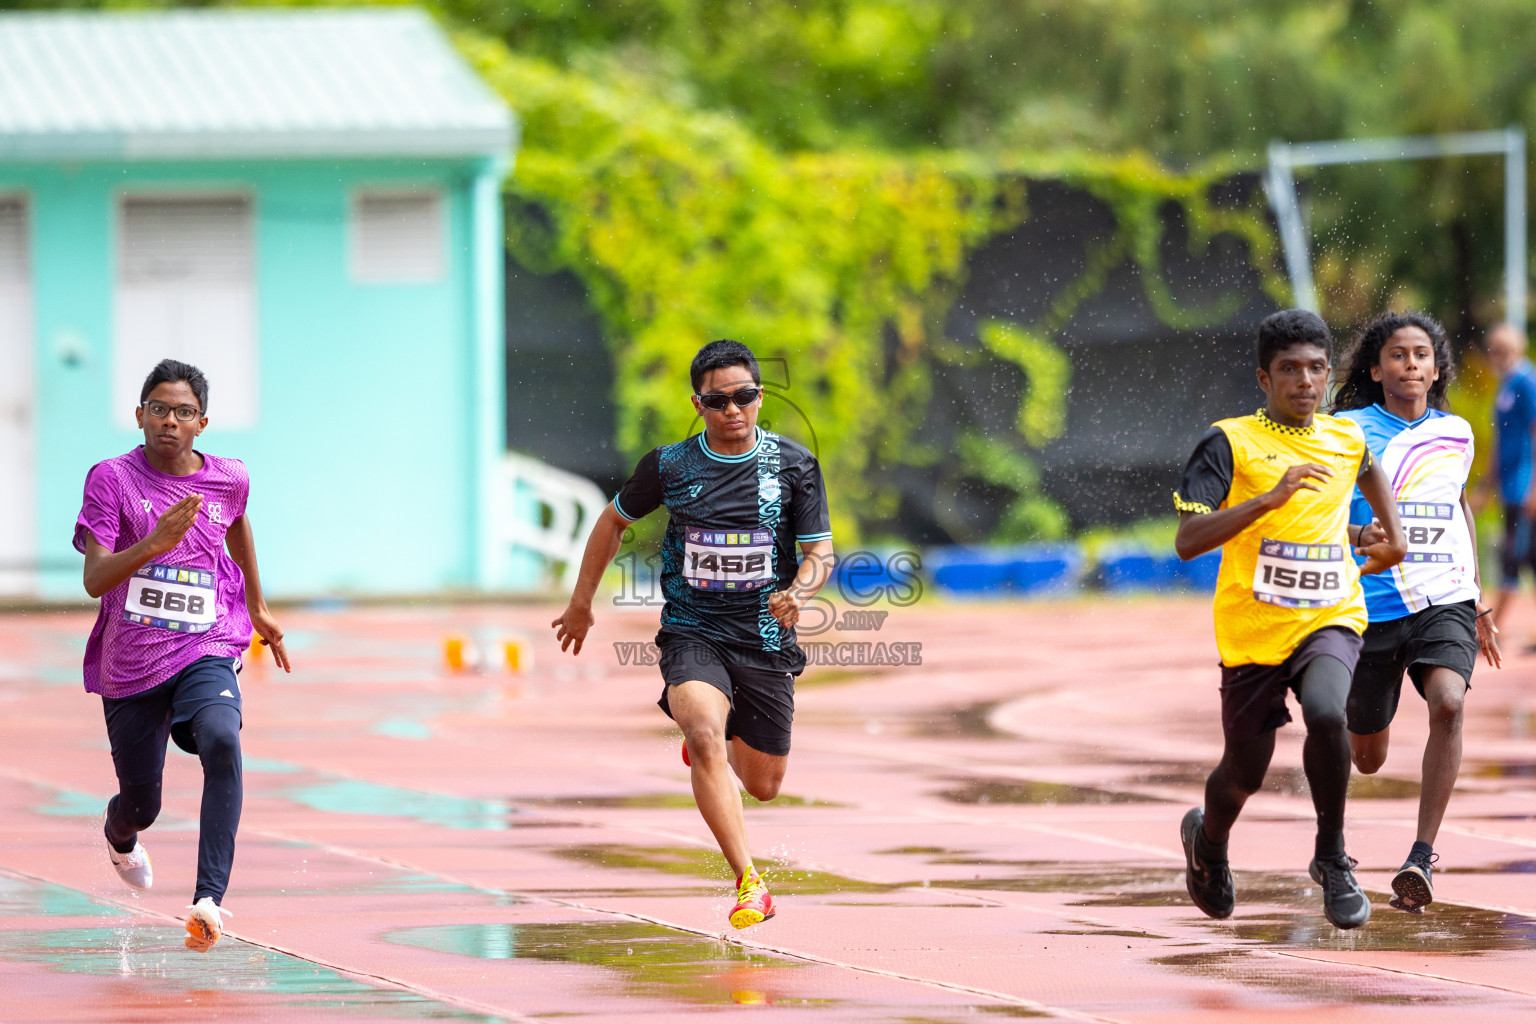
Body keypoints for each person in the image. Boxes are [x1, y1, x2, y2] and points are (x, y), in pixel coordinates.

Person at [551, 339, 834, 929]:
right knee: (704, 735)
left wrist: (800, 591)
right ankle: (750, 881)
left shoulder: (794, 465)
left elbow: (819, 552)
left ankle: (720, 731)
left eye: (745, 397)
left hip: (762, 638)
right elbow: (612, 521)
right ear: (698, 403)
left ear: (761, 397)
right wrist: (581, 604)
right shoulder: (671, 466)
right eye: (718, 400)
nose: (733, 410)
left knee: (764, 786)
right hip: (692, 631)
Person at [1173, 309, 1407, 930]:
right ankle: (1209, 843)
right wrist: (1268, 498)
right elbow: (1189, 539)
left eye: (1315, 368)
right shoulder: (1228, 441)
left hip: (1331, 614)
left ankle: (1332, 858)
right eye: (1289, 370)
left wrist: (1391, 537)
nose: (1304, 381)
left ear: (1328, 373)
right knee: (1243, 772)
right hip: (1252, 629)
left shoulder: (1343, 437)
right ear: (1263, 378)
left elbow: (1365, 471)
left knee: (1330, 712)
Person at [75, 359, 290, 952]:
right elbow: (95, 579)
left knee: (223, 738)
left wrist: (257, 602)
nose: (171, 421)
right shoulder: (111, 480)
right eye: (160, 409)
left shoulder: (229, 477)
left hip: (207, 645)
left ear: (203, 423)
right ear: (140, 415)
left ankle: (207, 901)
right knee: (142, 804)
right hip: (133, 661)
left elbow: (236, 521)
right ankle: (120, 837)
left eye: (184, 412)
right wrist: (155, 543)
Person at [1331, 311, 1501, 914]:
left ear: (1436, 368)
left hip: (1444, 596)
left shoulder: (1455, 432)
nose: (1411, 365)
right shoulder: (1346, 429)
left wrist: (1478, 598)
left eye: (1421, 355)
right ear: (1376, 371)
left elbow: (1460, 510)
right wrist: (1356, 536)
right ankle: (1336, 836)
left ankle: (1421, 855)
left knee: (1450, 703)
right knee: (1368, 758)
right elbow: (1320, 512)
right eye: (1398, 356)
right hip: (1373, 602)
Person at [1482, 323, 1536, 629]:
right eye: (1492, 350)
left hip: (1523, 486)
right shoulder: (1506, 385)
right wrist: (1484, 485)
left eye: (1501, 350)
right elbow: (1501, 441)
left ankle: (1493, 628)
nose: (1495, 356)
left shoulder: (1527, 383)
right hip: (1510, 485)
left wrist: (1533, 488)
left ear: (1518, 350)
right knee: (1529, 556)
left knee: (1511, 555)